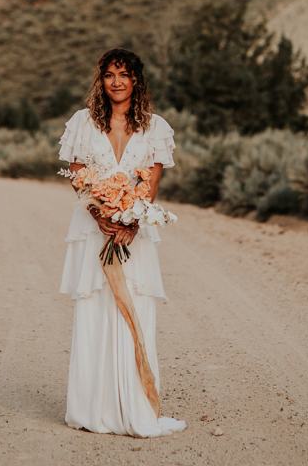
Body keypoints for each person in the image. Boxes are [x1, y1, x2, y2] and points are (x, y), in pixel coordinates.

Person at [57, 46, 187, 437]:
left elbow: (150, 184)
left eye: (124, 74)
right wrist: (101, 216)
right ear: (102, 79)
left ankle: (135, 406)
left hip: (135, 236)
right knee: (96, 308)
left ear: (136, 80)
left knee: (135, 310)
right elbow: (78, 177)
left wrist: (132, 222)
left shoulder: (155, 127)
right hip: (93, 231)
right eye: (110, 75)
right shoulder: (83, 122)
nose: (116, 82)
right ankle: (92, 408)